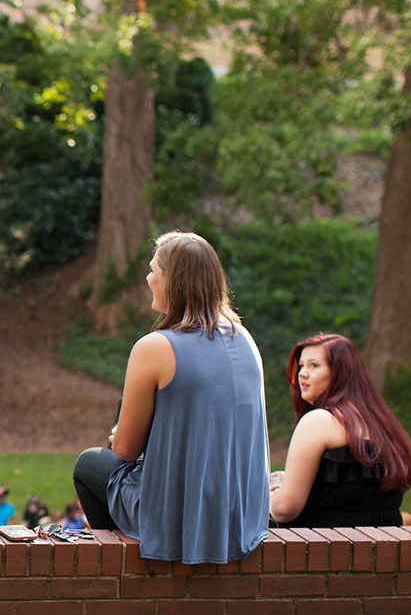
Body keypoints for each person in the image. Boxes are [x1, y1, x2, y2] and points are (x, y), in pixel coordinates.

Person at [72, 231, 269, 564]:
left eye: (154, 270)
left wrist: (120, 435)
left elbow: (125, 449)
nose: (148, 278)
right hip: (240, 513)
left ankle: (127, 567)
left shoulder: (155, 347)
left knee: (90, 464)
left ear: (174, 281)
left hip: (179, 515)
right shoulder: (244, 338)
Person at [268, 333, 411, 527]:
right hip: (380, 551)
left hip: (322, 551)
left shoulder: (318, 421)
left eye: (314, 365)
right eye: (302, 365)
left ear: (340, 372)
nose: (302, 373)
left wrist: (269, 495)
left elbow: (284, 510)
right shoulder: (384, 425)